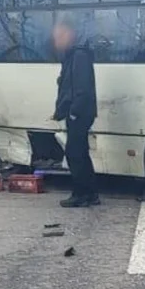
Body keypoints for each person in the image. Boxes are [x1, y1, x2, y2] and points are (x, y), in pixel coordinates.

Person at [51, 16, 99, 208]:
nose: (57, 41)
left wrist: (74, 111)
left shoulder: (78, 56)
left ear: (69, 35)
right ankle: (89, 193)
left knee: (74, 153)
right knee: (79, 153)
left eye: (60, 36)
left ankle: (81, 193)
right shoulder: (73, 56)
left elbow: (82, 87)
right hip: (78, 112)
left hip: (80, 113)